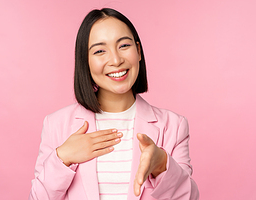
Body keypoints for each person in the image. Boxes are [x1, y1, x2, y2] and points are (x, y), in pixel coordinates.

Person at [29, 8, 199, 200]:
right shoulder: (56, 124)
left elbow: (189, 197)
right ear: (85, 61)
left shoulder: (173, 126)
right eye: (100, 50)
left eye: (124, 45)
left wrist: (162, 166)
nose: (116, 60)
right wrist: (63, 157)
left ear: (139, 51)